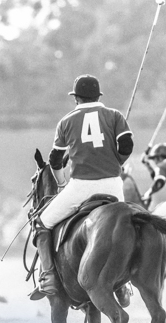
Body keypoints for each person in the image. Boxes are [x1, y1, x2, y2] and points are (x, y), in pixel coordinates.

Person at [31, 74, 134, 302]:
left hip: (81, 186)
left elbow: (55, 159)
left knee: (42, 223)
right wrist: (117, 162)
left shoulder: (66, 121)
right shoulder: (114, 115)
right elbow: (127, 145)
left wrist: (60, 183)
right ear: (98, 96)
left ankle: (48, 277)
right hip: (113, 186)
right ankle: (123, 285)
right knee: (126, 227)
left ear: (76, 98)